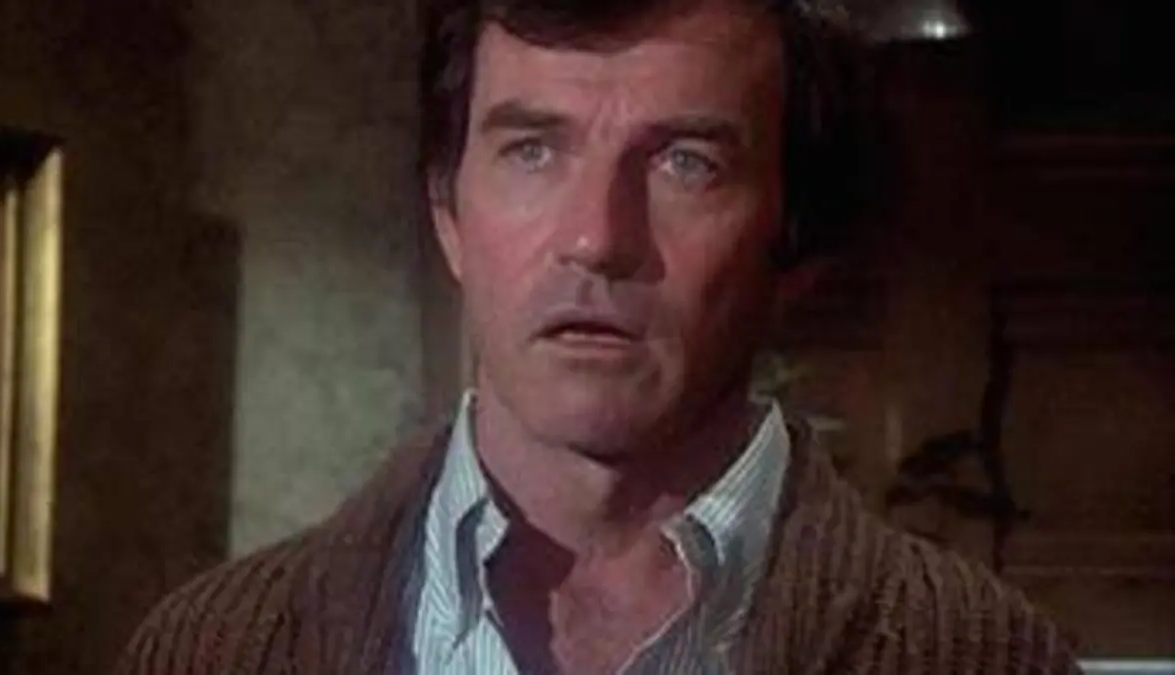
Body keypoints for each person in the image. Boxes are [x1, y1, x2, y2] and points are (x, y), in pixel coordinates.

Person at [117, 0, 1082, 673]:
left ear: (794, 245)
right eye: (532, 149)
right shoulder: (216, 650)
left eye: (685, 162)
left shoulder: (977, 656)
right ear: (449, 212)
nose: (595, 237)